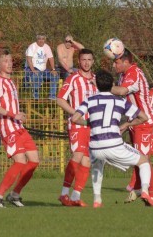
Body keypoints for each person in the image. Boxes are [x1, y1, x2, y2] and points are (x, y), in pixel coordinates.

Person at [70, 69, 153, 208]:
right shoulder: (120, 101)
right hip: (114, 144)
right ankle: (145, 191)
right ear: (112, 84)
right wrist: (127, 124)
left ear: (96, 85)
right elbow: (144, 117)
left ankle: (97, 200)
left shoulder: (90, 100)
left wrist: (90, 123)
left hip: (96, 146)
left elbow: (75, 118)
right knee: (143, 161)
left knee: (97, 167)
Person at [0, 49, 40, 208]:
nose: (9, 64)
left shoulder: (11, 81)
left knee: (34, 161)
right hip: (8, 128)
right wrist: (13, 115)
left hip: (19, 127)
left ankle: (15, 194)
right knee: (20, 162)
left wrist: (18, 115)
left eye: (10, 61)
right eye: (5, 61)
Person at [110, 49, 153, 203]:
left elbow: (122, 91)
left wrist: (102, 85)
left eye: (116, 62)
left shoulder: (133, 72)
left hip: (144, 123)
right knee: (138, 161)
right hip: (134, 123)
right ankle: (139, 190)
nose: (113, 64)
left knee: (143, 161)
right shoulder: (123, 75)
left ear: (126, 62)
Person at [55, 48, 97, 206]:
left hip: (92, 125)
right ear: (79, 61)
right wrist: (76, 114)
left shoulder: (96, 79)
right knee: (78, 156)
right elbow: (60, 99)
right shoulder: (73, 78)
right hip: (77, 124)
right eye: (84, 60)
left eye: (89, 60)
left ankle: (76, 196)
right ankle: (64, 194)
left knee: (87, 161)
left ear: (93, 61)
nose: (86, 63)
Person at [25, 33, 59, 99]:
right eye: (39, 39)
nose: (41, 41)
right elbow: (29, 59)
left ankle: (52, 95)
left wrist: (53, 69)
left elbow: (51, 58)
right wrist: (33, 70)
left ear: (45, 39)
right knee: (37, 76)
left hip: (44, 70)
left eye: (43, 39)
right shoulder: (32, 46)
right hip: (34, 69)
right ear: (37, 39)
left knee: (55, 75)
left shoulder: (47, 47)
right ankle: (36, 96)